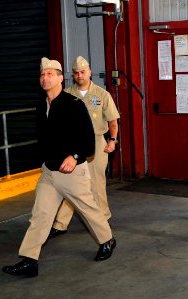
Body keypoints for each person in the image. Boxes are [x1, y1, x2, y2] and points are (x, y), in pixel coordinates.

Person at [3, 58, 116, 278]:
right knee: (40, 215)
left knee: (88, 210)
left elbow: (87, 141)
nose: (45, 78)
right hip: (49, 172)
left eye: (50, 74)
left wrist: (74, 157)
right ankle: (29, 260)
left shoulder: (73, 105)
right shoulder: (41, 104)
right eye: (42, 75)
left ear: (60, 78)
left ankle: (107, 240)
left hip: (72, 173)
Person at [48, 56, 120, 238]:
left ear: (89, 72)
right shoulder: (66, 95)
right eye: (76, 72)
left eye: (83, 71)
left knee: (96, 184)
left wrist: (112, 141)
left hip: (96, 143)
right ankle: (60, 224)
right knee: (69, 184)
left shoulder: (102, 94)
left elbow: (113, 121)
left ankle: (104, 217)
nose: (80, 75)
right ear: (72, 75)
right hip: (73, 145)